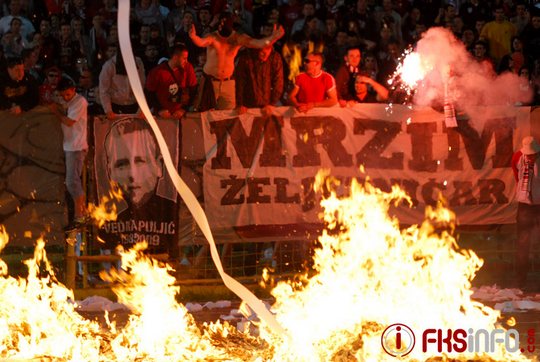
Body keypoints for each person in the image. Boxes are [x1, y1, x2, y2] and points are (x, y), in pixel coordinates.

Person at [102, 117, 178, 256]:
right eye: (121, 165)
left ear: (159, 165)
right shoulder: (105, 215)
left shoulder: (173, 211)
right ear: (110, 171)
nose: (132, 174)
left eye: (140, 162)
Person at [188, 11, 285, 111]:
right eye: (221, 23)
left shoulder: (238, 38)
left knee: (228, 117)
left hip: (228, 82)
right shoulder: (213, 37)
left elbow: (259, 44)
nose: (222, 25)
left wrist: (273, 38)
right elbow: (201, 42)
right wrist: (193, 37)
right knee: (205, 114)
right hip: (211, 81)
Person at [51, 77, 88, 227]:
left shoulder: (80, 102)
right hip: (68, 146)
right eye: (63, 95)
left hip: (76, 147)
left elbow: (69, 122)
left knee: (72, 181)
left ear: (73, 90)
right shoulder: (67, 102)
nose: (65, 97)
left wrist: (56, 113)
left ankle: (81, 214)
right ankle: (80, 212)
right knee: (72, 181)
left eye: (67, 94)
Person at [511, 136, 540, 288]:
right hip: (525, 205)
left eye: (533, 154)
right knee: (523, 243)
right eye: (528, 154)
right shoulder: (517, 157)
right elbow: (517, 177)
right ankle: (519, 280)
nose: (530, 157)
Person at [145, 43, 197, 118]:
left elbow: (193, 90)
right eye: (184, 58)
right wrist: (160, 109)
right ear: (175, 57)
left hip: (181, 113)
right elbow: (149, 93)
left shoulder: (188, 68)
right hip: (163, 114)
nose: (186, 61)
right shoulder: (157, 72)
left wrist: (184, 109)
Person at [234, 44, 284, 117]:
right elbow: (240, 82)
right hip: (248, 104)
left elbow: (279, 82)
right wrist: (240, 104)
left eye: (267, 50)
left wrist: (272, 103)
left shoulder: (275, 57)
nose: (264, 53)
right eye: (261, 50)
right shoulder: (246, 57)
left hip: (268, 104)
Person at [99, 49, 145, 120]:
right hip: (115, 105)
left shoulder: (138, 62)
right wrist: (108, 110)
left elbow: (141, 86)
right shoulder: (109, 66)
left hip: (133, 105)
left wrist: (142, 107)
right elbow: (104, 90)